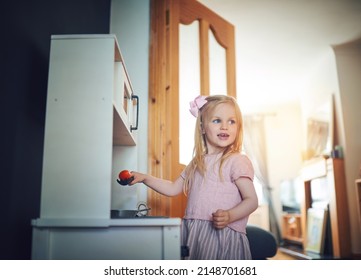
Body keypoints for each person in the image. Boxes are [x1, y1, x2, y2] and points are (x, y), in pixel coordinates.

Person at [129, 94, 258, 260]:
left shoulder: (237, 161)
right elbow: (172, 188)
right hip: (193, 234)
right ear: (203, 127)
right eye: (217, 120)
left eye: (231, 121)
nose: (225, 127)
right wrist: (145, 178)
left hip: (222, 237)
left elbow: (251, 200)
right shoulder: (196, 163)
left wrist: (230, 215)